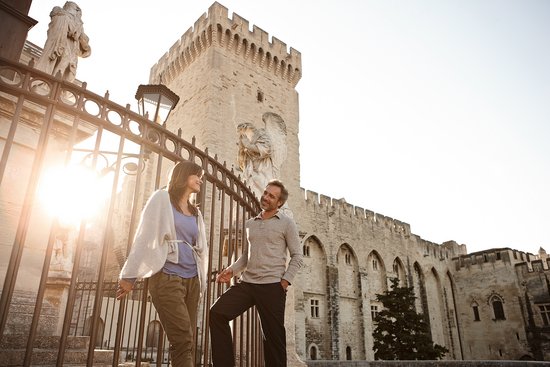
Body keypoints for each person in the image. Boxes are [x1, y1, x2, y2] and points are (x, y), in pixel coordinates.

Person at [117, 161, 208, 367]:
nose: (200, 179)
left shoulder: (196, 212)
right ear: (183, 176)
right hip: (167, 277)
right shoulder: (161, 198)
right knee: (183, 338)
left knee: (187, 341)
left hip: (192, 280)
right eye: (196, 175)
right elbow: (144, 236)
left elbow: (201, 247)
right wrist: (130, 275)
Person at [209, 179, 303, 367]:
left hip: (272, 286)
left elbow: (297, 256)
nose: (266, 197)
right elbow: (246, 256)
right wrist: (231, 270)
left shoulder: (286, 223)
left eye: (272, 196)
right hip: (248, 284)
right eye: (266, 193)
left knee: (273, 340)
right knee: (217, 313)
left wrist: (284, 282)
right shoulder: (251, 223)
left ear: (279, 203)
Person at [34, 1, 91, 83]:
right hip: (59, 44)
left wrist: (82, 40)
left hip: (71, 51)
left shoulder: (78, 25)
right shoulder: (61, 14)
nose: (77, 13)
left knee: (65, 66)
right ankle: (46, 84)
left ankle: (55, 87)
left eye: (78, 11)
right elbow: (56, 28)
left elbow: (85, 40)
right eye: (76, 10)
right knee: (53, 64)